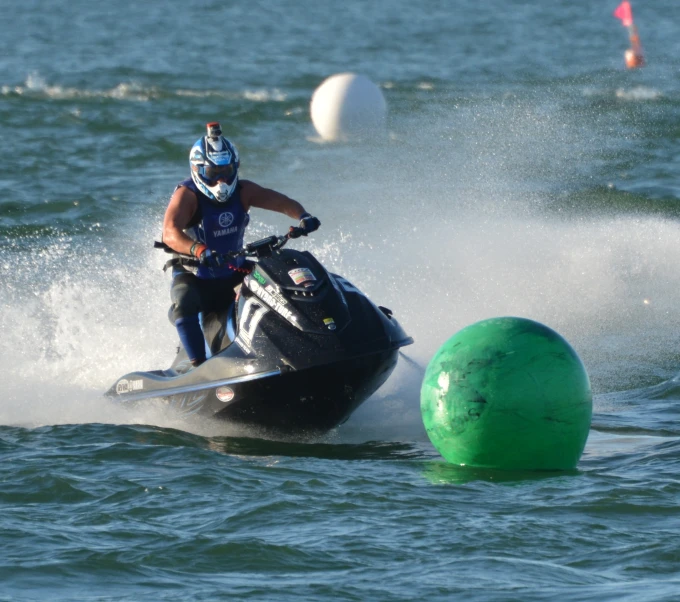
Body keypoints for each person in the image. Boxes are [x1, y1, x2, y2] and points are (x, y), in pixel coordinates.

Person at [162, 121, 320, 368]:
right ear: (198, 169)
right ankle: (197, 368)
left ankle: (314, 340)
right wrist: (199, 250)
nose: (221, 180)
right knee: (183, 301)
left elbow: (280, 202)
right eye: (213, 173)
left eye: (227, 171)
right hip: (198, 277)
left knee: (282, 279)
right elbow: (169, 233)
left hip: (233, 272)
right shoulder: (188, 194)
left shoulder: (244, 190)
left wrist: (303, 216)